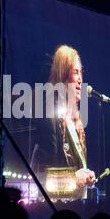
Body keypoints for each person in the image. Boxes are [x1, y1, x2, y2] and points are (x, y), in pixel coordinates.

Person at [35, 45, 96, 190]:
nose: (81, 79)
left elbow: (77, 172)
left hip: (77, 206)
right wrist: (75, 179)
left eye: (81, 72)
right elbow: (42, 176)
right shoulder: (49, 115)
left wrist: (86, 176)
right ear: (62, 75)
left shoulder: (76, 123)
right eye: (75, 72)